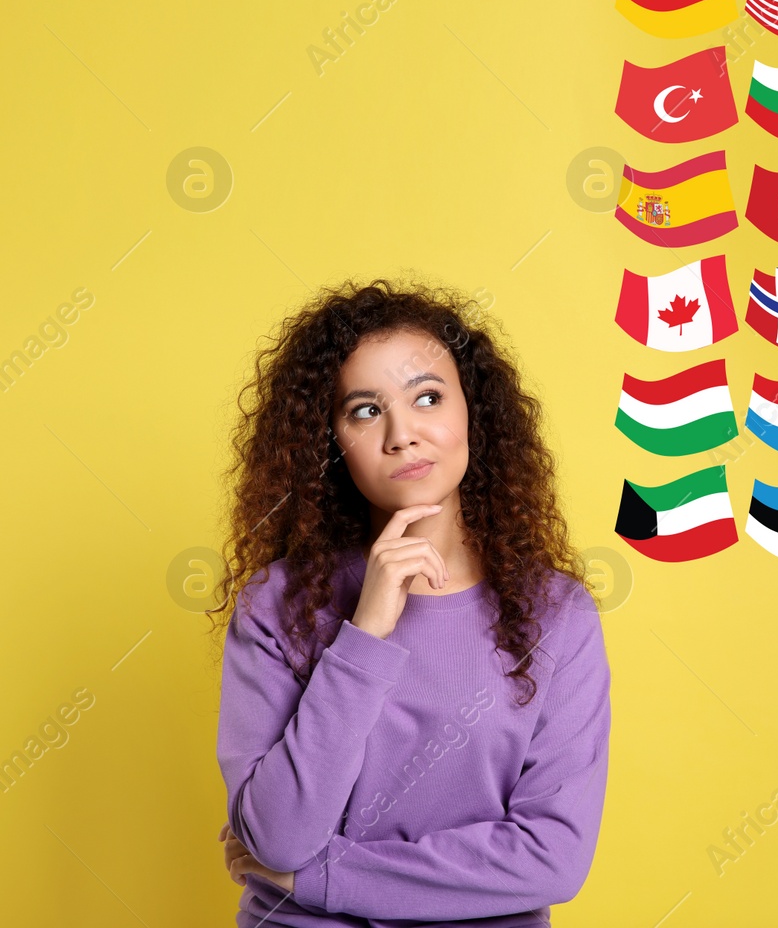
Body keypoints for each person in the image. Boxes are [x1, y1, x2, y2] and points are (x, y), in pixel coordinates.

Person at [209, 278, 610, 927]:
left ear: (471, 412)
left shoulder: (558, 616)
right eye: (365, 410)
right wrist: (365, 632)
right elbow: (278, 837)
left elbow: (552, 858)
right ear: (329, 441)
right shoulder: (276, 605)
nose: (403, 434)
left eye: (427, 397)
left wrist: (318, 876)